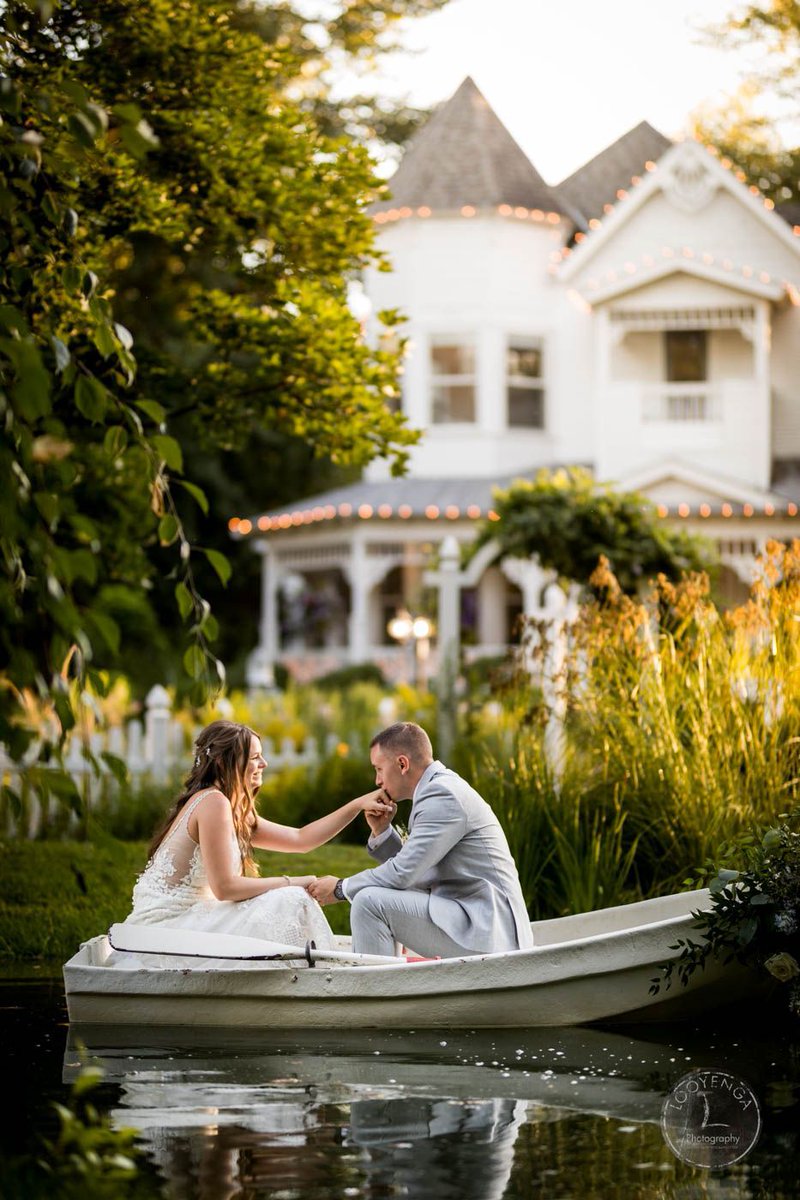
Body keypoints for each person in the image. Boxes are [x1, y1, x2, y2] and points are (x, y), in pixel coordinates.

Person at [120, 719, 394, 954]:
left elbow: (301, 839)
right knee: (291, 899)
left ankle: (316, 970)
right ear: (221, 761)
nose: (263, 763)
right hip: (169, 927)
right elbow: (225, 888)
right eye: (254, 757)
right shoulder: (213, 803)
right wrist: (293, 882)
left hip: (191, 919)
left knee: (288, 898)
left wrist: (357, 805)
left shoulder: (228, 806)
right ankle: (322, 977)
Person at [308, 722, 533, 959]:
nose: (377, 781)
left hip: (489, 931)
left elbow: (402, 874)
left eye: (379, 769)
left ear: (402, 764)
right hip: (473, 922)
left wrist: (341, 888)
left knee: (368, 902)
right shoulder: (437, 789)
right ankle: (388, 987)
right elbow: (418, 874)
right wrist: (383, 832)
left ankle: (375, 995)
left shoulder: (442, 794)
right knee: (373, 898)